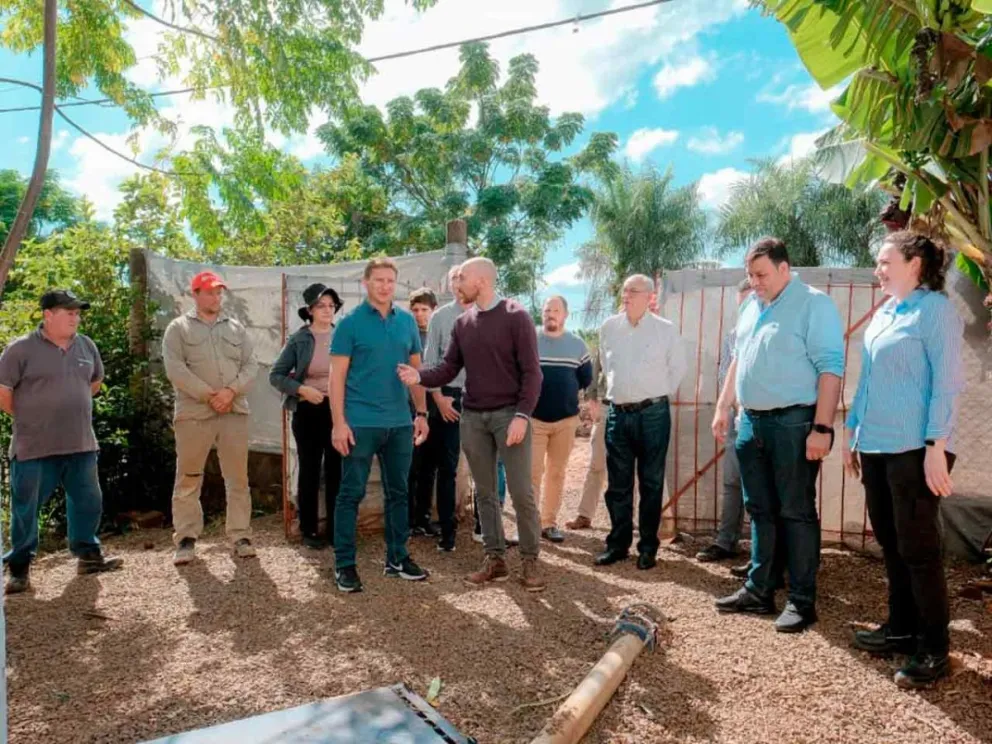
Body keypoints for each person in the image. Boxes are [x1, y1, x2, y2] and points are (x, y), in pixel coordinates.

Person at [844, 231, 964, 688]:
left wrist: (937, 445)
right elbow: (870, 379)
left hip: (916, 449)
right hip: (877, 446)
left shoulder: (936, 311)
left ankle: (933, 650)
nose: (877, 270)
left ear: (914, 264)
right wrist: (854, 431)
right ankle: (901, 629)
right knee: (891, 545)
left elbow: (948, 382)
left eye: (884, 262)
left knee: (920, 551)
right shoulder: (886, 313)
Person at [713, 238, 844, 633]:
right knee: (761, 510)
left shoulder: (813, 304)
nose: (755, 282)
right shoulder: (753, 305)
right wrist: (724, 406)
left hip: (794, 422)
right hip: (750, 422)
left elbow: (831, 368)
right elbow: (739, 358)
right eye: (750, 275)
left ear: (784, 268)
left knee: (796, 511)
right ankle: (759, 590)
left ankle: (802, 602)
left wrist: (822, 427)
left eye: (761, 274)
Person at [398, 257, 546, 591]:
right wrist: (418, 375)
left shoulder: (516, 316)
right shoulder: (463, 323)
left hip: (510, 415)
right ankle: (495, 559)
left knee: (522, 492)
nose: (456, 283)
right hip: (473, 416)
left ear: (480, 280)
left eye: (462, 277)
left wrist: (522, 415)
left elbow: (533, 373)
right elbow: (448, 368)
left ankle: (530, 560)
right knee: (485, 493)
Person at [0, 290, 123, 594]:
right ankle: (20, 568)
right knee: (26, 508)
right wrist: (34, 417)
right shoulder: (20, 350)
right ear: (48, 315)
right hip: (34, 447)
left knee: (88, 503)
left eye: (78, 313)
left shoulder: (86, 346)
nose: (75, 317)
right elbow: (4, 394)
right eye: (68, 312)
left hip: (81, 443)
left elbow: (94, 384)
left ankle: (88, 555)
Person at [329, 257, 430, 593]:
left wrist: (422, 413)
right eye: (379, 280)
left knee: (399, 493)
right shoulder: (349, 324)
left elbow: (416, 372)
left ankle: (397, 558)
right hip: (360, 424)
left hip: (400, 424)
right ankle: (344, 565)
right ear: (366, 283)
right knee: (350, 494)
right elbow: (336, 377)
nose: (385, 286)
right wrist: (338, 423)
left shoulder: (406, 323)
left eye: (390, 281)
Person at [163, 271, 259, 565]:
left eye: (219, 293)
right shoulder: (178, 329)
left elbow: (252, 365)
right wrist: (209, 395)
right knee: (189, 476)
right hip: (194, 414)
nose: (215, 298)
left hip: (234, 411)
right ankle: (186, 539)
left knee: (238, 477)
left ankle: (241, 535)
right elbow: (175, 369)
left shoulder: (236, 328)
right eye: (209, 292)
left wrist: (230, 392)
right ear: (195, 294)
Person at [595, 274, 687, 571]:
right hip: (618, 415)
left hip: (653, 415)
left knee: (651, 482)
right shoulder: (609, 327)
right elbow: (607, 367)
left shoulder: (666, 330)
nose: (626, 295)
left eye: (633, 291)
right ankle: (618, 545)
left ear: (649, 297)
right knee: (618, 485)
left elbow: (677, 369)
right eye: (624, 290)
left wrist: (654, 394)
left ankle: (648, 547)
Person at [269, 283, 344, 550]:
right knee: (310, 470)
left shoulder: (344, 335)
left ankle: (337, 531)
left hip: (338, 411)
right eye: (321, 306)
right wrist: (302, 389)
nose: (327, 310)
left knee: (337, 471)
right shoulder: (299, 339)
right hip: (309, 411)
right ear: (310, 311)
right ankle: (309, 529)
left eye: (331, 306)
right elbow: (275, 375)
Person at [697, 279, 752, 563]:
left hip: (758, 418)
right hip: (735, 416)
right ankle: (726, 541)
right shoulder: (733, 335)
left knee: (757, 488)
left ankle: (761, 554)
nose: (747, 309)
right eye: (742, 305)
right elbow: (724, 376)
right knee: (732, 481)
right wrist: (724, 411)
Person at [531, 296, 593, 543]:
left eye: (555, 310)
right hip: (533, 419)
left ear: (565, 315)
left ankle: (548, 523)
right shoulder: (529, 340)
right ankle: (530, 524)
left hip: (565, 421)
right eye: (547, 310)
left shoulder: (577, 345)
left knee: (557, 473)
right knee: (532, 473)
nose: (550, 314)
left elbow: (585, 379)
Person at [421, 266, 472, 552]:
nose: (458, 282)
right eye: (454, 278)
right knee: (447, 466)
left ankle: (486, 530)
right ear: (450, 284)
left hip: (481, 398)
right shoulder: (441, 317)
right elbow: (430, 362)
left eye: (463, 277)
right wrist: (438, 398)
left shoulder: (488, 315)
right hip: (448, 398)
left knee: (486, 464)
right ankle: (447, 533)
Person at [406, 287, 440, 537]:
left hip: (436, 407)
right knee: (411, 466)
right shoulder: (408, 338)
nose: (420, 315)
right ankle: (408, 520)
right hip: (411, 409)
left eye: (424, 310)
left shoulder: (440, 337)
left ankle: (424, 517)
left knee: (430, 466)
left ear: (433, 310)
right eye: (415, 310)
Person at [565, 357, 606, 531]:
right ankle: (585, 515)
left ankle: (637, 520)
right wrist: (592, 402)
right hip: (607, 407)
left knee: (635, 467)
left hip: (640, 410)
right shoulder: (608, 333)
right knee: (596, 464)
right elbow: (593, 374)